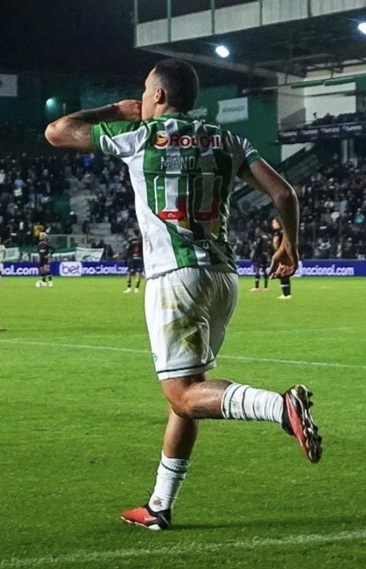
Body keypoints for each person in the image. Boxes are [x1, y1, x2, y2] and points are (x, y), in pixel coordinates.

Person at [45, 57, 322, 531]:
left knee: (183, 393)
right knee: (187, 395)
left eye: (144, 92)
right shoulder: (227, 139)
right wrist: (288, 244)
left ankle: (281, 407)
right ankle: (159, 506)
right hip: (222, 276)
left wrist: (116, 108)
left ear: (156, 95)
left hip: (174, 277)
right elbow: (284, 194)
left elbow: (57, 130)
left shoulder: (140, 138)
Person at [271, 217, 293, 299]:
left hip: (281, 254)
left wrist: (276, 250)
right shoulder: (285, 232)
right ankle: (288, 293)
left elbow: (276, 242)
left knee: (282, 273)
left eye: (274, 223)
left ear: (278, 223)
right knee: (286, 273)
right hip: (287, 254)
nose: (272, 225)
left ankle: (285, 294)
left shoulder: (277, 233)